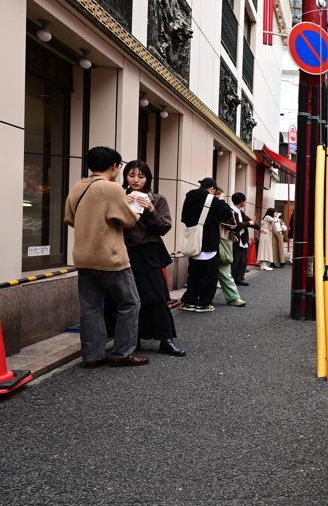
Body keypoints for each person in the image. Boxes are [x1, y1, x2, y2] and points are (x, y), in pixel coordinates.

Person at [63, 146, 148, 367]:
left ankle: (92, 356)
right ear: (115, 166)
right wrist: (136, 209)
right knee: (130, 303)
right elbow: (129, 221)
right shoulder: (111, 189)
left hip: (83, 256)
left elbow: (70, 219)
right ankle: (122, 353)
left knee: (90, 307)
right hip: (110, 257)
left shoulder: (77, 187)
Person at [106, 160, 184, 357]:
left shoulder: (157, 199)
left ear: (148, 178)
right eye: (131, 175)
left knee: (156, 297)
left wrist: (150, 210)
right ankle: (131, 339)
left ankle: (166, 340)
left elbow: (163, 228)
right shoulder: (118, 197)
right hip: (123, 252)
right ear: (125, 177)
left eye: (141, 176)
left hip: (148, 254)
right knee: (124, 298)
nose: (136, 180)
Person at [180, 178, 233, 312]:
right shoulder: (212, 200)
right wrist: (221, 200)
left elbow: (184, 218)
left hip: (193, 242)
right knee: (209, 276)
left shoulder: (189, 197)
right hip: (208, 242)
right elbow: (226, 214)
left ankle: (189, 302)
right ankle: (203, 303)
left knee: (194, 274)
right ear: (212, 189)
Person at [213, 188, 245, 307]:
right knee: (206, 272)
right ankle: (203, 298)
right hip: (209, 241)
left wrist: (221, 202)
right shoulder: (207, 205)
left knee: (225, 270)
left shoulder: (225, 208)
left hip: (221, 240)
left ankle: (233, 297)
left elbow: (232, 224)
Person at [230, 193, 262, 286]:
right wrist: (248, 223)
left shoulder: (240, 212)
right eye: (244, 201)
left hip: (242, 240)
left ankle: (239, 279)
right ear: (241, 202)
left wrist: (260, 229)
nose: (245, 202)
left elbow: (250, 222)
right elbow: (236, 225)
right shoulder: (231, 211)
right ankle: (231, 279)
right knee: (235, 261)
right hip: (235, 239)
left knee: (243, 260)